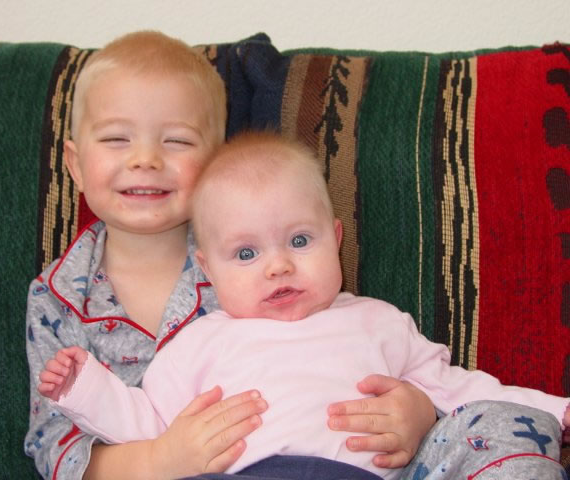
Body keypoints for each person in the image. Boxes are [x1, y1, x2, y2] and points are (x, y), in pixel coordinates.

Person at [24, 31, 438, 480]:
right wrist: (159, 460)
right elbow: (55, 445)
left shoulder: (255, 258)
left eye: (177, 141)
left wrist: (419, 409)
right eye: (116, 139)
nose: (145, 159)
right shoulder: (55, 297)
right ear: (75, 164)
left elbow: (339, 354)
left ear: (214, 162)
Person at [40, 131, 570, 480]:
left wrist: (556, 410)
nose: (278, 266)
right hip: (245, 474)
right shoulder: (198, 342)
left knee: (499, 425)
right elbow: (147, 420)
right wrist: (85, 388)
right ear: (208, 270)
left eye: (299, 241)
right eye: (246, 253)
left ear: (335, 238)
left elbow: (458, 390)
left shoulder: (379, 322)